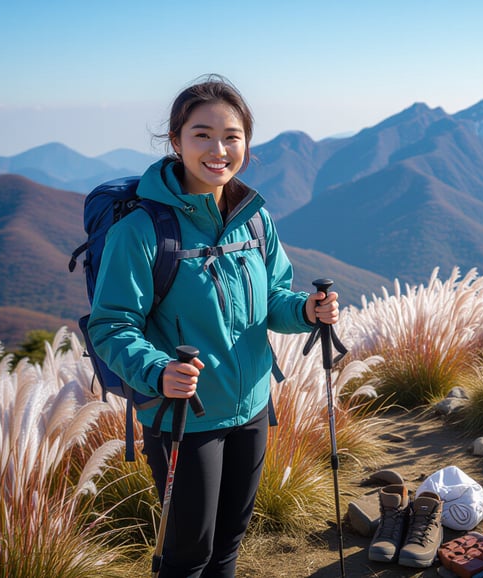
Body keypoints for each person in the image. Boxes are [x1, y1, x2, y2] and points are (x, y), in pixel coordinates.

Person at [87, 74, 339, 577]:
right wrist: (159, 372)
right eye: (202, 134)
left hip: (250, 406)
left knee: (228, 543)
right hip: (184, 416)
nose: (218, 149)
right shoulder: (141, 230)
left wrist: (306, 311)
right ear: (175, 141)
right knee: (187, 556)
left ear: (247, 141)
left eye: (231, 136)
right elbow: (111, 325)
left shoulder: (253, 217)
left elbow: (273, 298)